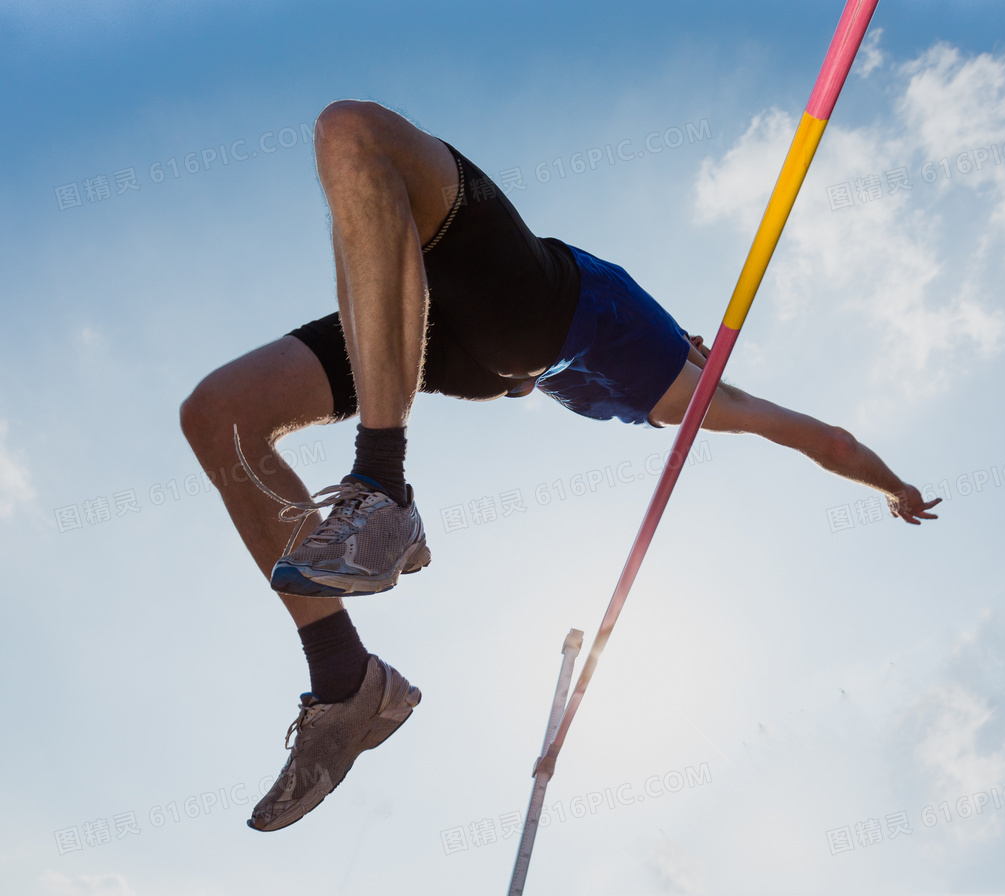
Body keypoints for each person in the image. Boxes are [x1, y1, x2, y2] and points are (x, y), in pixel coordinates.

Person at [179, 100, 941, 832]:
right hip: (456, 338)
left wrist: (893, 486)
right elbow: (821, 438)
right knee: (220, 416)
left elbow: (822, 438)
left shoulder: (693, 391)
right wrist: (893, 489)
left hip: (528, 316)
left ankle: (383, 483)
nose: (702, 345)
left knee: (351, 129)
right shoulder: (664, 389)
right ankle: (343, 675)